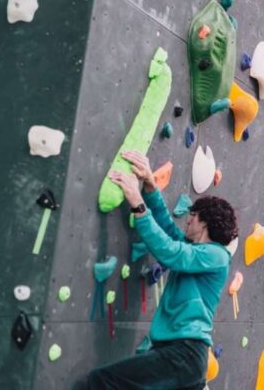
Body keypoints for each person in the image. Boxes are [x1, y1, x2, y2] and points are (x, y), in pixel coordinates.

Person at [87, 150, 238, 390]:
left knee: (101, 382)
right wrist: (149, 185)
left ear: (205, 222)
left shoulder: (217, 255)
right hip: (179, 355)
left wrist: (137, 204)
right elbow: (168, 230)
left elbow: (171, 251)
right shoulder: (196, 255)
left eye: (193, 215)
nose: (188, 220)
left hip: (185, 353)